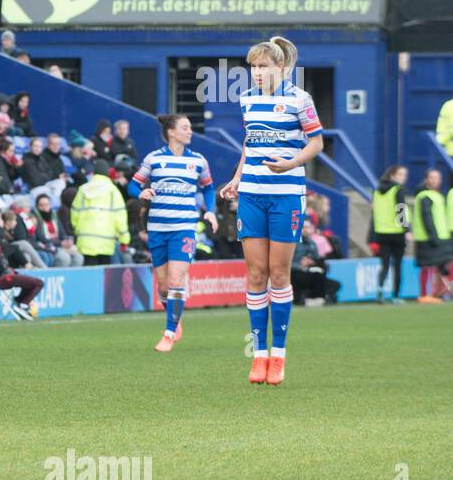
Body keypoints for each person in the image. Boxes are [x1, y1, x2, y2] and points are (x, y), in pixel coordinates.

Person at [218, 36, 324, 386]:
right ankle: (258, 355)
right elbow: (250, 144)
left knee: (279, 274)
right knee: (255, 273)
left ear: (280, 67)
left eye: (264, 66)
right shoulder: (248, 100)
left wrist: (291, 162)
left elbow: (317, 142)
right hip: (251, 194)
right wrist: (236, 178)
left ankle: (278, 356)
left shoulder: (299, 99)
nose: (257, 73)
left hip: (286, 195)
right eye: (253, 67)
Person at [126, 115, 217, 352]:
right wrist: (141, 193)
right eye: (185, 128)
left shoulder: (198, 161)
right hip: (157, 228)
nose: (190, 132)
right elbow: (133, 184)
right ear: (171, 132)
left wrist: (211, 211)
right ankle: (175, 319)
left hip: (184, 228)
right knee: (164, 287)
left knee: (177, 281)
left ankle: (168, 334)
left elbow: (208, 188)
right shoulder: (154, 159)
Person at [71, 159, 129, 267]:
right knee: (103, 276)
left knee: (88, 275)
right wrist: (124, 239)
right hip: (106, 241)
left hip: (85, 239)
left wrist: (77, 231)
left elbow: (74, 214)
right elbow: (120, 216)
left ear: (94, 172)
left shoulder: (83, 190)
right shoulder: (113, 191)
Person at [412, 168, 453, 303]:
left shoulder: (439, 196)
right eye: (433, 178)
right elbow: (401, 209)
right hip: (426, 237)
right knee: (429, 266)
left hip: (442, 235)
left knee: (442, 266)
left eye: (438, 178)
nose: (436, 181)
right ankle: (426, 294)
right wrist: (404, 228)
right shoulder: (421, 196)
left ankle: (439, 293)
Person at [369, 165, 408, 304]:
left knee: (384, 264)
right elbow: (400, 209)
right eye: (401, 174)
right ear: (392, 175)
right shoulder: (398, 189)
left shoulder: (377, 191)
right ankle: (396, 295)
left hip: (381, 232)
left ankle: (380, 290)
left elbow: (374, 210)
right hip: (397, 233)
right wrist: (406, 229)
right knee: (397, 265)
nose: (404, 177)